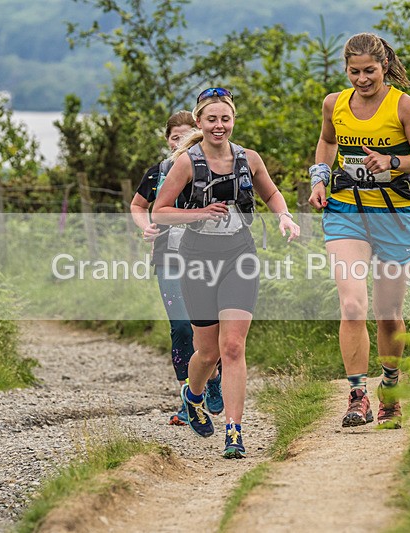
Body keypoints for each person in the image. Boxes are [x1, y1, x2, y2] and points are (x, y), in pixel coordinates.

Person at [152, 87, 299, 458]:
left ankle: (234, 432)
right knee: (206, 353)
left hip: (239, 255)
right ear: (199, 122)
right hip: (197, 259)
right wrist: (200, 213)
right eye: (212, 119)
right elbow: (159, 211)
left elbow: (272, 194)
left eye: (225, 119)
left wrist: (284, 216)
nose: (219, 126)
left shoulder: (248, 158)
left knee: (232, 346)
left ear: (233, 120)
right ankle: (193, 394)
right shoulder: (186, 162)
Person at [308, 33, 410, 429]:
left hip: (395, 216)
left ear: (384, 67)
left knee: (388, 313)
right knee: (351, 305)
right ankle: (357, 395)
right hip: (346, 212)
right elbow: (327, 142)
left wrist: (392, 161)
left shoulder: (404, 106)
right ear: (345, 69)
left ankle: (392, 388)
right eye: (354, 72)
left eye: (369, 71)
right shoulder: (335, 103)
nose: (362, 79)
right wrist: (318, 180)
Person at [129, 110, 224, 426]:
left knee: (208, 330)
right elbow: (138, 205)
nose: (181, 143)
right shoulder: (157, 173)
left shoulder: (214, 170)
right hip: (168, 258)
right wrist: (146, 227)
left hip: (208, 259)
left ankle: (212, 376)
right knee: (182, 328)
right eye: (175, 138)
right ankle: (189, 399)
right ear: (168, 140)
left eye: (187, 137)